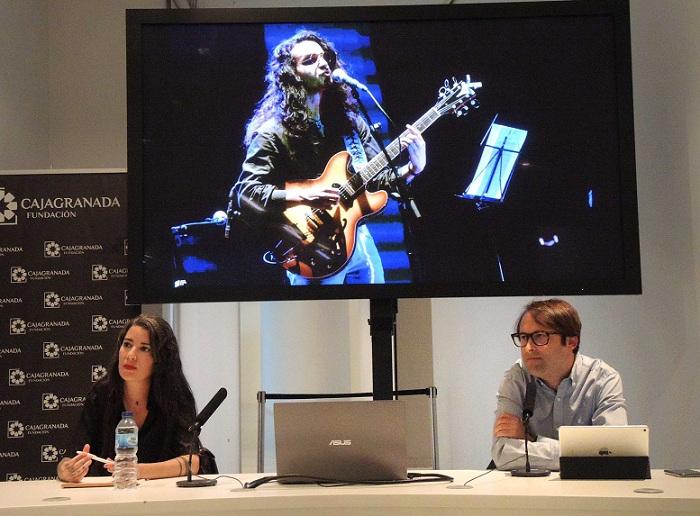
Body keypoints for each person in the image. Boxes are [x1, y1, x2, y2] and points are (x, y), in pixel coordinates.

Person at [230, 30, 426, 285]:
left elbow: (378, 180)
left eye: (325, 57)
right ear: (292, 74)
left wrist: (412, 169)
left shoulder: (350, 123)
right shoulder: (272, 132)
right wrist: (305, 195)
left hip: (358, 241)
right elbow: (245, 193)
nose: (323, 63)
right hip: (309, 248)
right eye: (310, 59)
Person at [57, 315, 214, 482]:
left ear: (160, 359)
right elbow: (70, 456)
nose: (130, 355)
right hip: (109, 496)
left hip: (162, 498)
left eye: (144, 348)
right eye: (127, 345)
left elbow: (192, 461)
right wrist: (65, 471)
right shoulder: (102, 393)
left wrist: (138, 471)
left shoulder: (174, 395)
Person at [491, 299, 628, 471]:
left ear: (571, 342)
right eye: (523, 337)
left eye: (539, 337)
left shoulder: (603, 379)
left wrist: (533, 440)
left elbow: (613, 452)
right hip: (530, 490)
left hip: (587, 491)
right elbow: (503, 455)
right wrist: (581, 454)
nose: (527, 348)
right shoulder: (516, 379)